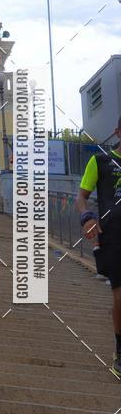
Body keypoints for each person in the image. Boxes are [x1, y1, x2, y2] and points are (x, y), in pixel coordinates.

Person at [77, 118, 121, 379]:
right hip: (113, 237)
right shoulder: (101, 162)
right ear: (117, 131)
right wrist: (87, 217)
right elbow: (81, 197)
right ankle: (120, 348)